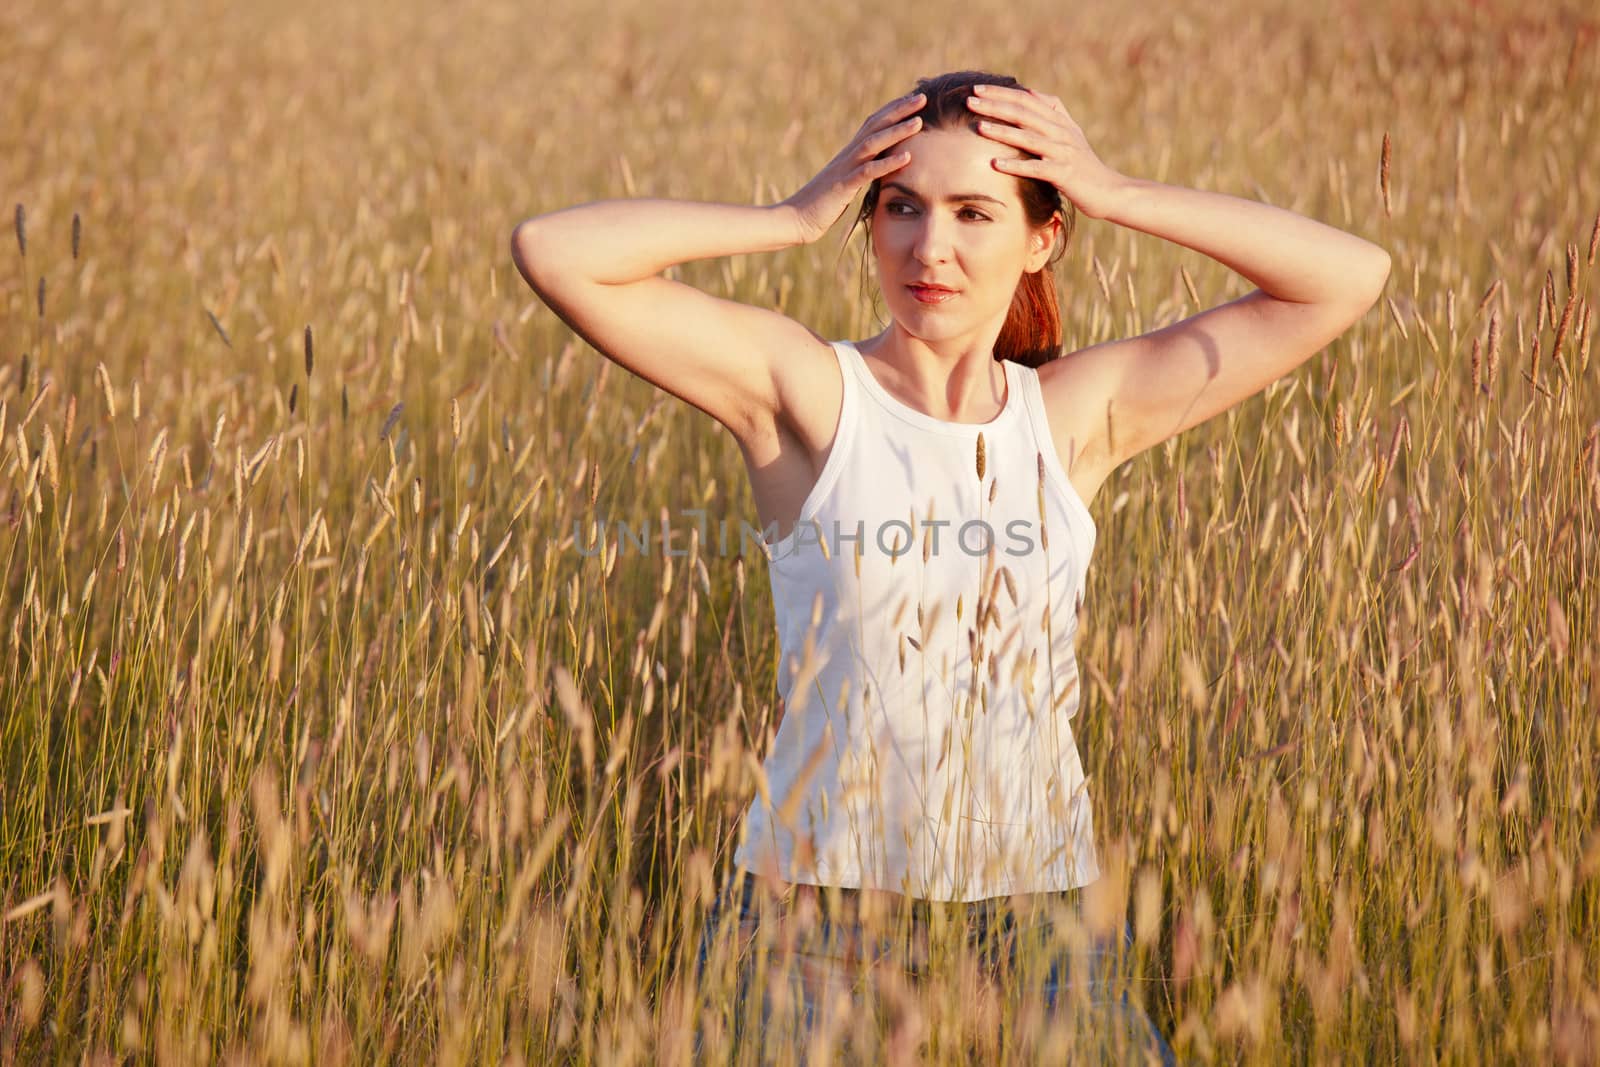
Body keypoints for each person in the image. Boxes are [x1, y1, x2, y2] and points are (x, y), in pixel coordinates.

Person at [512, 69, 1389, 1063]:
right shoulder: (806, 395)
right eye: (901, 208)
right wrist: (792, 215)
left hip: (1037, 932)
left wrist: (1115, 192)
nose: (930, 247)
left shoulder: (1069, 416)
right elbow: (554, 251)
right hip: (813, 939)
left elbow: (1346, 276)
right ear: (871, 219)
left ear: (1041, 236)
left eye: (975, 212)